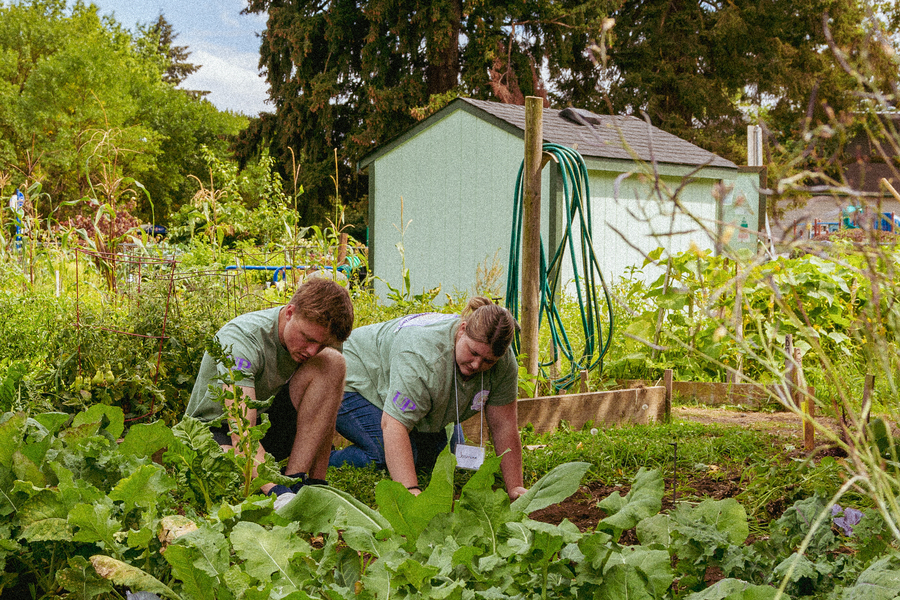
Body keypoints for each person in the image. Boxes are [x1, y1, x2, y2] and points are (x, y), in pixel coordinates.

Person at [329, 298, 528, 500]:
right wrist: (410, 490)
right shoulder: (422, 357)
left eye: (488, 361)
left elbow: (504, 425)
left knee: (447, 455)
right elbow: (393, 425)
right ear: (462, 329)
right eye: (473, 352)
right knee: (385, 454)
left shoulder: (503, 362)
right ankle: (327, 458)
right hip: (352, 379)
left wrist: (515, 487)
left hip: (395, 383)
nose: (477, 365)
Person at [185, 277, 354, 496]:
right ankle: (280, 490)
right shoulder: (242, 339)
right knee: (226, 473)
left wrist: (317, 482)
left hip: (265, 424)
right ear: (290, 312)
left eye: (321, 344)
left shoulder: (323, 340)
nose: (312, 351)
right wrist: (276, 491)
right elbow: (242, 432)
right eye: (307, 338)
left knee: (333, 362)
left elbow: (326, 413)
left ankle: (296, 480)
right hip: (216, 431)